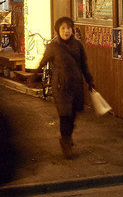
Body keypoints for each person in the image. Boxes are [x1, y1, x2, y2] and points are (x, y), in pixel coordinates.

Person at [37, 16, 95, 158]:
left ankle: (66, 136)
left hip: (76, 85)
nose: (66, 31)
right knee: (65, 115)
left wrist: (90, 81)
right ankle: (66, 142)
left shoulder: (78, 45)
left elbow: (84, 65)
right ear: (58, 30)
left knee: (73, 114)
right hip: (61, 86)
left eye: (68, 28)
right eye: (63, 28)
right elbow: (43, 61)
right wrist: (34, 74)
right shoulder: (53, 46)